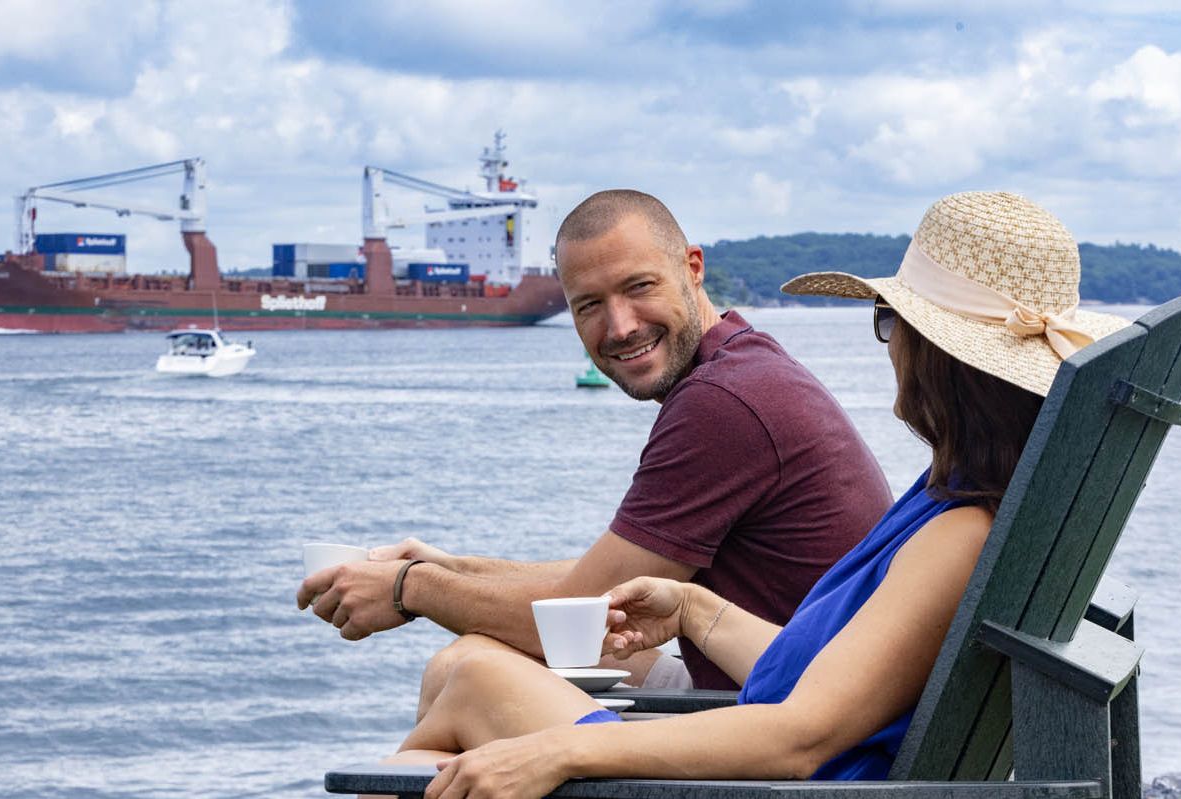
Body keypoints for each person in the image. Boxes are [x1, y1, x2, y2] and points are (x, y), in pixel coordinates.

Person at [384, 191, 1132, 796]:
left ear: (933, 355)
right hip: (786, 774)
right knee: (465, 683)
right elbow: (839, 685)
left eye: (888, 321)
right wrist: (694, 608)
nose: (889, 344)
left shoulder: (956, 533)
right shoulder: (959, 504)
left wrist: (559, 754)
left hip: (774, 789)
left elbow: (801, 738)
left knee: (473, 676)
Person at [297, 190, 892, 699]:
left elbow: (575, 617)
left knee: (467, 671)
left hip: (793, 725)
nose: (621, 325)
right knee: (479, 659)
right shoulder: (744, 366)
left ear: (693, 268)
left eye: (639, 287)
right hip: (788, 686)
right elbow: (609, 582)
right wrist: (454, 568)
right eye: (589, 306)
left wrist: (411, 590)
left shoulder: (722, 404)